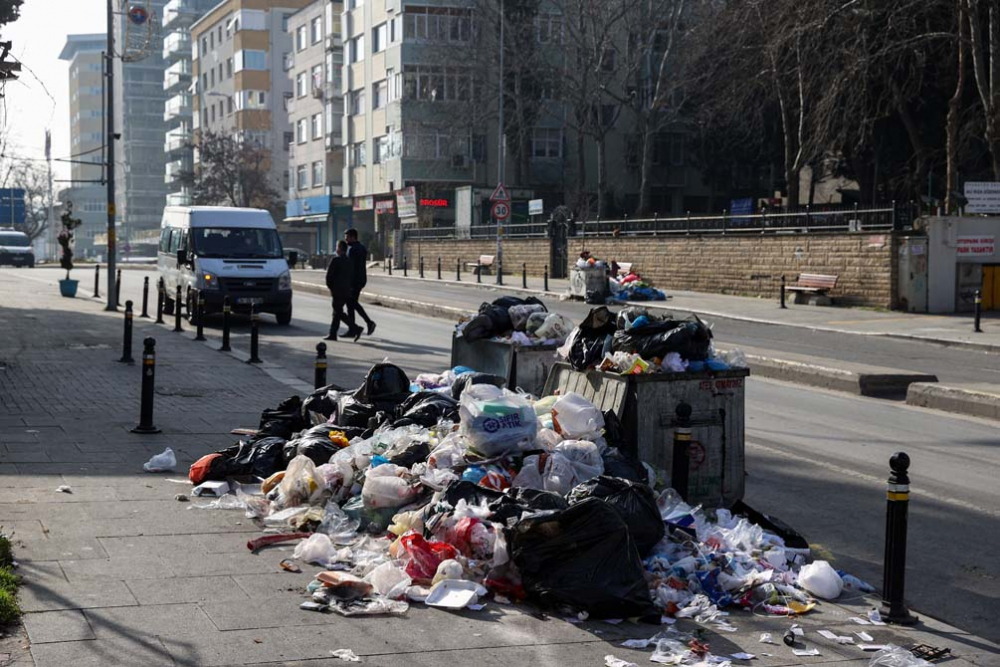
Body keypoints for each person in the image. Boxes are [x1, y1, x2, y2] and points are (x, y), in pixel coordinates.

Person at [324, 240, 363, 341]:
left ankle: (356, 328)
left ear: (339, 249)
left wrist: (331, 287)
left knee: (338, 312)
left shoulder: (335, 260)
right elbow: (351, 276)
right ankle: (332, 334)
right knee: (336, 313)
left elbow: (329, 277)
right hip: (347, 291)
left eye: (337, 247)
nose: (336, 249)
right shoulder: (350, 261)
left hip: (337, 291)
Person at [345, 228, 376, 337]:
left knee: (352, 303)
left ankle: (368, 322)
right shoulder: (362, 247)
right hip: (361, 279)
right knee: (351, 304)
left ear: (353, 237)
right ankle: (353, 329)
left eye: (347, 237)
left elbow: (350, 267)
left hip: (354, 281)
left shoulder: (352, 249)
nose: (346, 240)